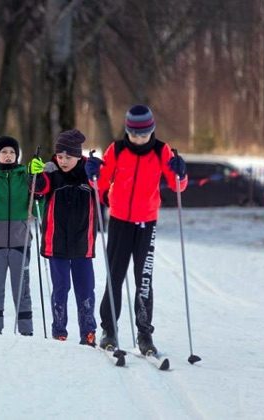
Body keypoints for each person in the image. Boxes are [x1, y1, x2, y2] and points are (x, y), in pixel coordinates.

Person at [85, 104, 188, 355]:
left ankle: (144, 334)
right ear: (128, 131)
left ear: (151, 131)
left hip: (146, 223)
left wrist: (180, 173)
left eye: (144, 135)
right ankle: (109, 330)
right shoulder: (117, 150)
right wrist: (93, 174)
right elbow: (100, 184)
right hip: (120, 221)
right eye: (135, 134)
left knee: (144, 281)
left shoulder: (161, 150)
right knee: (115, 277)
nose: (139, 139)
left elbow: (178, 187)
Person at [30, 129, 98, 346]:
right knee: (61, 287)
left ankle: (88, 330)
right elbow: (39, 189)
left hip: (82, 243)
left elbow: (104, 190)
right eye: (60, 156)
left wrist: (99, 174)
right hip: (56, 242)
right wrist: (35, 175)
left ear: (78, 155)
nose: (63, 161)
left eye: (68, 157)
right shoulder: (51, 172)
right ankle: (59, 329)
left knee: (85, 287)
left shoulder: (89, 173)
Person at [0, 136, 41, 336]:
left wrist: (38, 191)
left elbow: (39, 211)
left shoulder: (25, 176)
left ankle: (26, 330)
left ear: (17, 155)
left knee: (22, 289)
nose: (8, 155)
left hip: (20, 240)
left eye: (12, 152)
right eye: (4, 152)